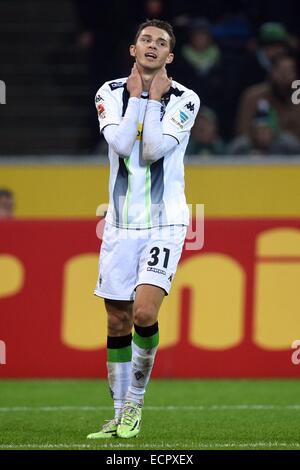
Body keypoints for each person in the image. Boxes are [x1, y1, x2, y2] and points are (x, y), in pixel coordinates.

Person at [87, 19, 200, 440]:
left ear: (169, 56)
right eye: (146, 40)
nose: (152, 46)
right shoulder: (109, 92)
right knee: (117, 321)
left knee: (144, 312)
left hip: (165, 222)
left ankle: (135, 404)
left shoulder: (186, 98)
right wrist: (136, 98)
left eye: (162, 43)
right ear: (133, 49)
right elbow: (118, 144)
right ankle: (117, 414)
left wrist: (149, 101)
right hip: (119, 225)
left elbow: (151, 149)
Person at [236, 55, 300, 140]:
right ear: (272, 72)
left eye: (288, 73)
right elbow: (243, 131)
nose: (284, 78)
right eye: (281, 72)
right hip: (257, 149)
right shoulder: (253, 96)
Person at [229, 102, 300, 156]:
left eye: (266, 130)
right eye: (259, 131)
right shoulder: (241, 147)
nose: (263, 135)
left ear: (274, 131)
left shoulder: (289, 146)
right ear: (253, 132)